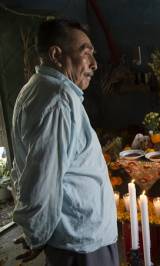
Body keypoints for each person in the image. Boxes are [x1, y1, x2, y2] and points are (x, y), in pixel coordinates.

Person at [10, 19, 118, 265]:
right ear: (56, 55)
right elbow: (41, 180)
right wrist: (36, 234)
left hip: (76, 238)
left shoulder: (36, 89)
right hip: (81, 242)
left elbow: (27, 168)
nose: (94, 64)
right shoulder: (58, 101)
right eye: (86, 53)